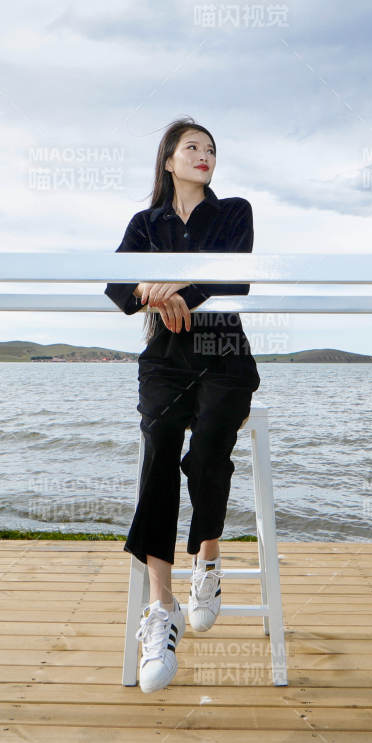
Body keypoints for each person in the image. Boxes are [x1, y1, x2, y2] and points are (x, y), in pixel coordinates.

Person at [104, 116, 261, 693]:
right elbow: (118, 287)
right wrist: (147, 291)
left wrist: (175, 293)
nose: (205, 156)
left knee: (210, 450)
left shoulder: (235, 210)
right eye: (192, 148)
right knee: (160, 451)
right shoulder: (145, 224)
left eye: (212, 150)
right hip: (166, 360)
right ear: (169, 161)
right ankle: (161, 608)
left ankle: (209, 564)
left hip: (223, 355)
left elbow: (235, 278)